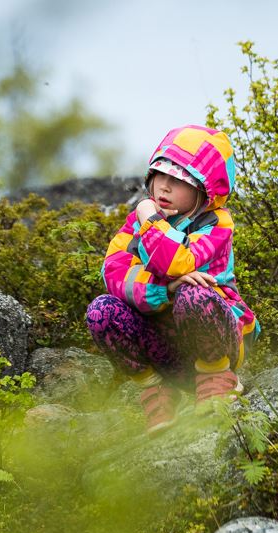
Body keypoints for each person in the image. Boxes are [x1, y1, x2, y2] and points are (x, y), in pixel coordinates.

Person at [86, 124, 260, 434]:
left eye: (179, 180)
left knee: (193, 295)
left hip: (220, 342)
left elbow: (178, 262)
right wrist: (163, 290)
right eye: (160, 175)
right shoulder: (135, 222)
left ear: (204, 188)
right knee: (101, 311)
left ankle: (216, 379)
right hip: (168, 350)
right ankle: (157, 389)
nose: (164, 188)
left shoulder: (216, 224)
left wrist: (150, 221)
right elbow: (113, 271)